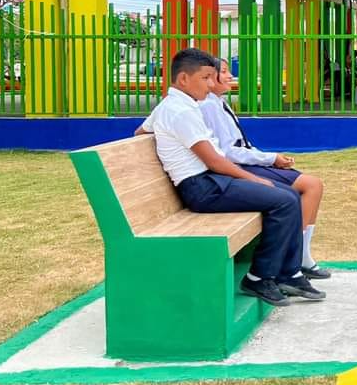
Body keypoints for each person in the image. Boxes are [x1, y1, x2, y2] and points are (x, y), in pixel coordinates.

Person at [136, 48, 323, 307]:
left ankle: (288, 273)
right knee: (283, 200)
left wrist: (168, 146)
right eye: (205, 78)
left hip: (209, 180)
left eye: (212, 77)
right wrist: (253, 179)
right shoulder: (180, 112)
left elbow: (140, 132)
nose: (210, 84)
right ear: (183, 79)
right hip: (202, 187)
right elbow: (214, 160)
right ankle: (259, 277)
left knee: (288, 195)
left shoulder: (174, 105)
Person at [197, 58, 330, 280]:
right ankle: (295, 257)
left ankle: (301, 255)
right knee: (310, 186)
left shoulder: (219, 103)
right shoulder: (209, 105)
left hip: (243, 163)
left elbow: (241, 144)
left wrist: (270, 158)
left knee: (312, 186)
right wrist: (269, 158)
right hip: (236, 168)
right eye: (224, 71)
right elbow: (228, 152)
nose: (230, 76)